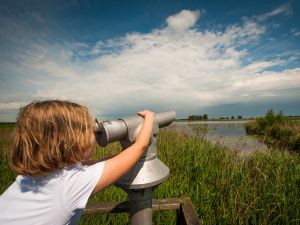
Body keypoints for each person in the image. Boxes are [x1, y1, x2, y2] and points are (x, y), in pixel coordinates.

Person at [0, 100, 154, 225]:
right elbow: (139, 147)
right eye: (89, 131)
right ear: (72, 141)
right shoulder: (70, 185)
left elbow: (91, 165)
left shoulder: (28, 179)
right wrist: (149, 119)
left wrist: (119, 156)